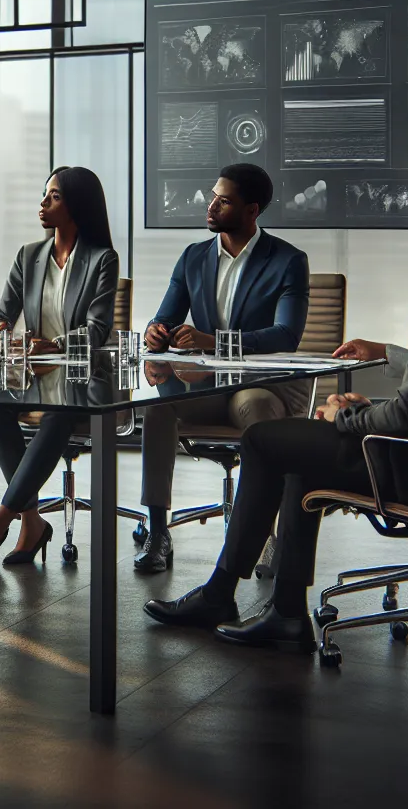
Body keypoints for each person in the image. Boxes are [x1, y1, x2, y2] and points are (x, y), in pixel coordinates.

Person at [144, 149, 408, 651]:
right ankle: (285, 611)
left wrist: (350, 412)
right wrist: (388, 356)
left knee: (266, 443)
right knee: (293, 448)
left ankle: (222, 594)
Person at [135, 163, 311, 574]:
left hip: (257, 385)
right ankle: (158, 531)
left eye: (223, 200)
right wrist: (155, 333)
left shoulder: (287, 260)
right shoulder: (193, 257)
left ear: (252, 211)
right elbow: (163, 316)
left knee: (258, 413)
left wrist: (214, 342)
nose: (210, 205)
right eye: (212, 196)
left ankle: (263, 535)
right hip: (205, 388)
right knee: (158, 410)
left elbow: (286, 336)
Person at [0, 167, 121, 566]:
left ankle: (3, 515)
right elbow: (0, 314)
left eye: (54, 197)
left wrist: (56, 345)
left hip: (85, 376)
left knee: (59, 413)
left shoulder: (102, 259)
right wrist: (1, 331)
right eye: (44, 195)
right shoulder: (28, 256)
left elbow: (98, 329)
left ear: (77, 205)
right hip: (34, 373)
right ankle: (31, 520)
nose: (43, 204)